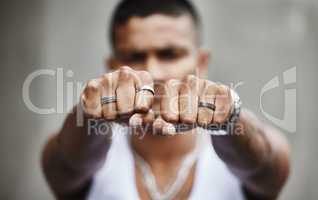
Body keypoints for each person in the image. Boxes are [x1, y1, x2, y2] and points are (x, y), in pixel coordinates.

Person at [41, 0, 290, 199]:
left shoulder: (243, 149)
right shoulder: (86, 147)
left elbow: (265, 165)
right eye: (135, 56)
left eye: (169, 54)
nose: (154, 73)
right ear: (113, 67)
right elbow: (66, 163)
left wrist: (228, 119)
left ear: (201, 63)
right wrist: (89, 113)